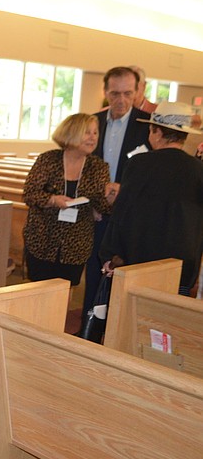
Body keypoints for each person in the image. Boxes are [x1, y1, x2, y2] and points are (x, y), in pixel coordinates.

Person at [101, 101, 203, 296]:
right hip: (181, 264)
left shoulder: (140, 163)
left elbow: (123, 211)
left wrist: (110, 253)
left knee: (133, 311)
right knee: (170, 311)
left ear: (157, 132)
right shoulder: (198, 169)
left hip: (140, 260)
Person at [81, 66, 150, 332]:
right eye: (114, 93)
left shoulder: (146, 125)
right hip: (96, 213)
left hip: (130, 215)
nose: (121, 100)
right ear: (105, 91)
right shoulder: (93, 122)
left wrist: (125, 188)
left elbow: (150, 174)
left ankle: (116, 332)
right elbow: (82, 166)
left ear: (137, 91)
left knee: (123, 277)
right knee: (93, 271)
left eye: (127, 93)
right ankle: (88, 329)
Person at [22, 113, 113, 287]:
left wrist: (110, 199)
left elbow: (102, 206)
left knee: (66, 291)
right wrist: (53, 200)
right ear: (72, 133)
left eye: (95, 133)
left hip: (76, 244)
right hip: (42, 239)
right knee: (38, 290)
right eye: (87, 132)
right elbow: (29, 194)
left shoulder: (98, 167)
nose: (93, 138)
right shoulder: (48, 159)